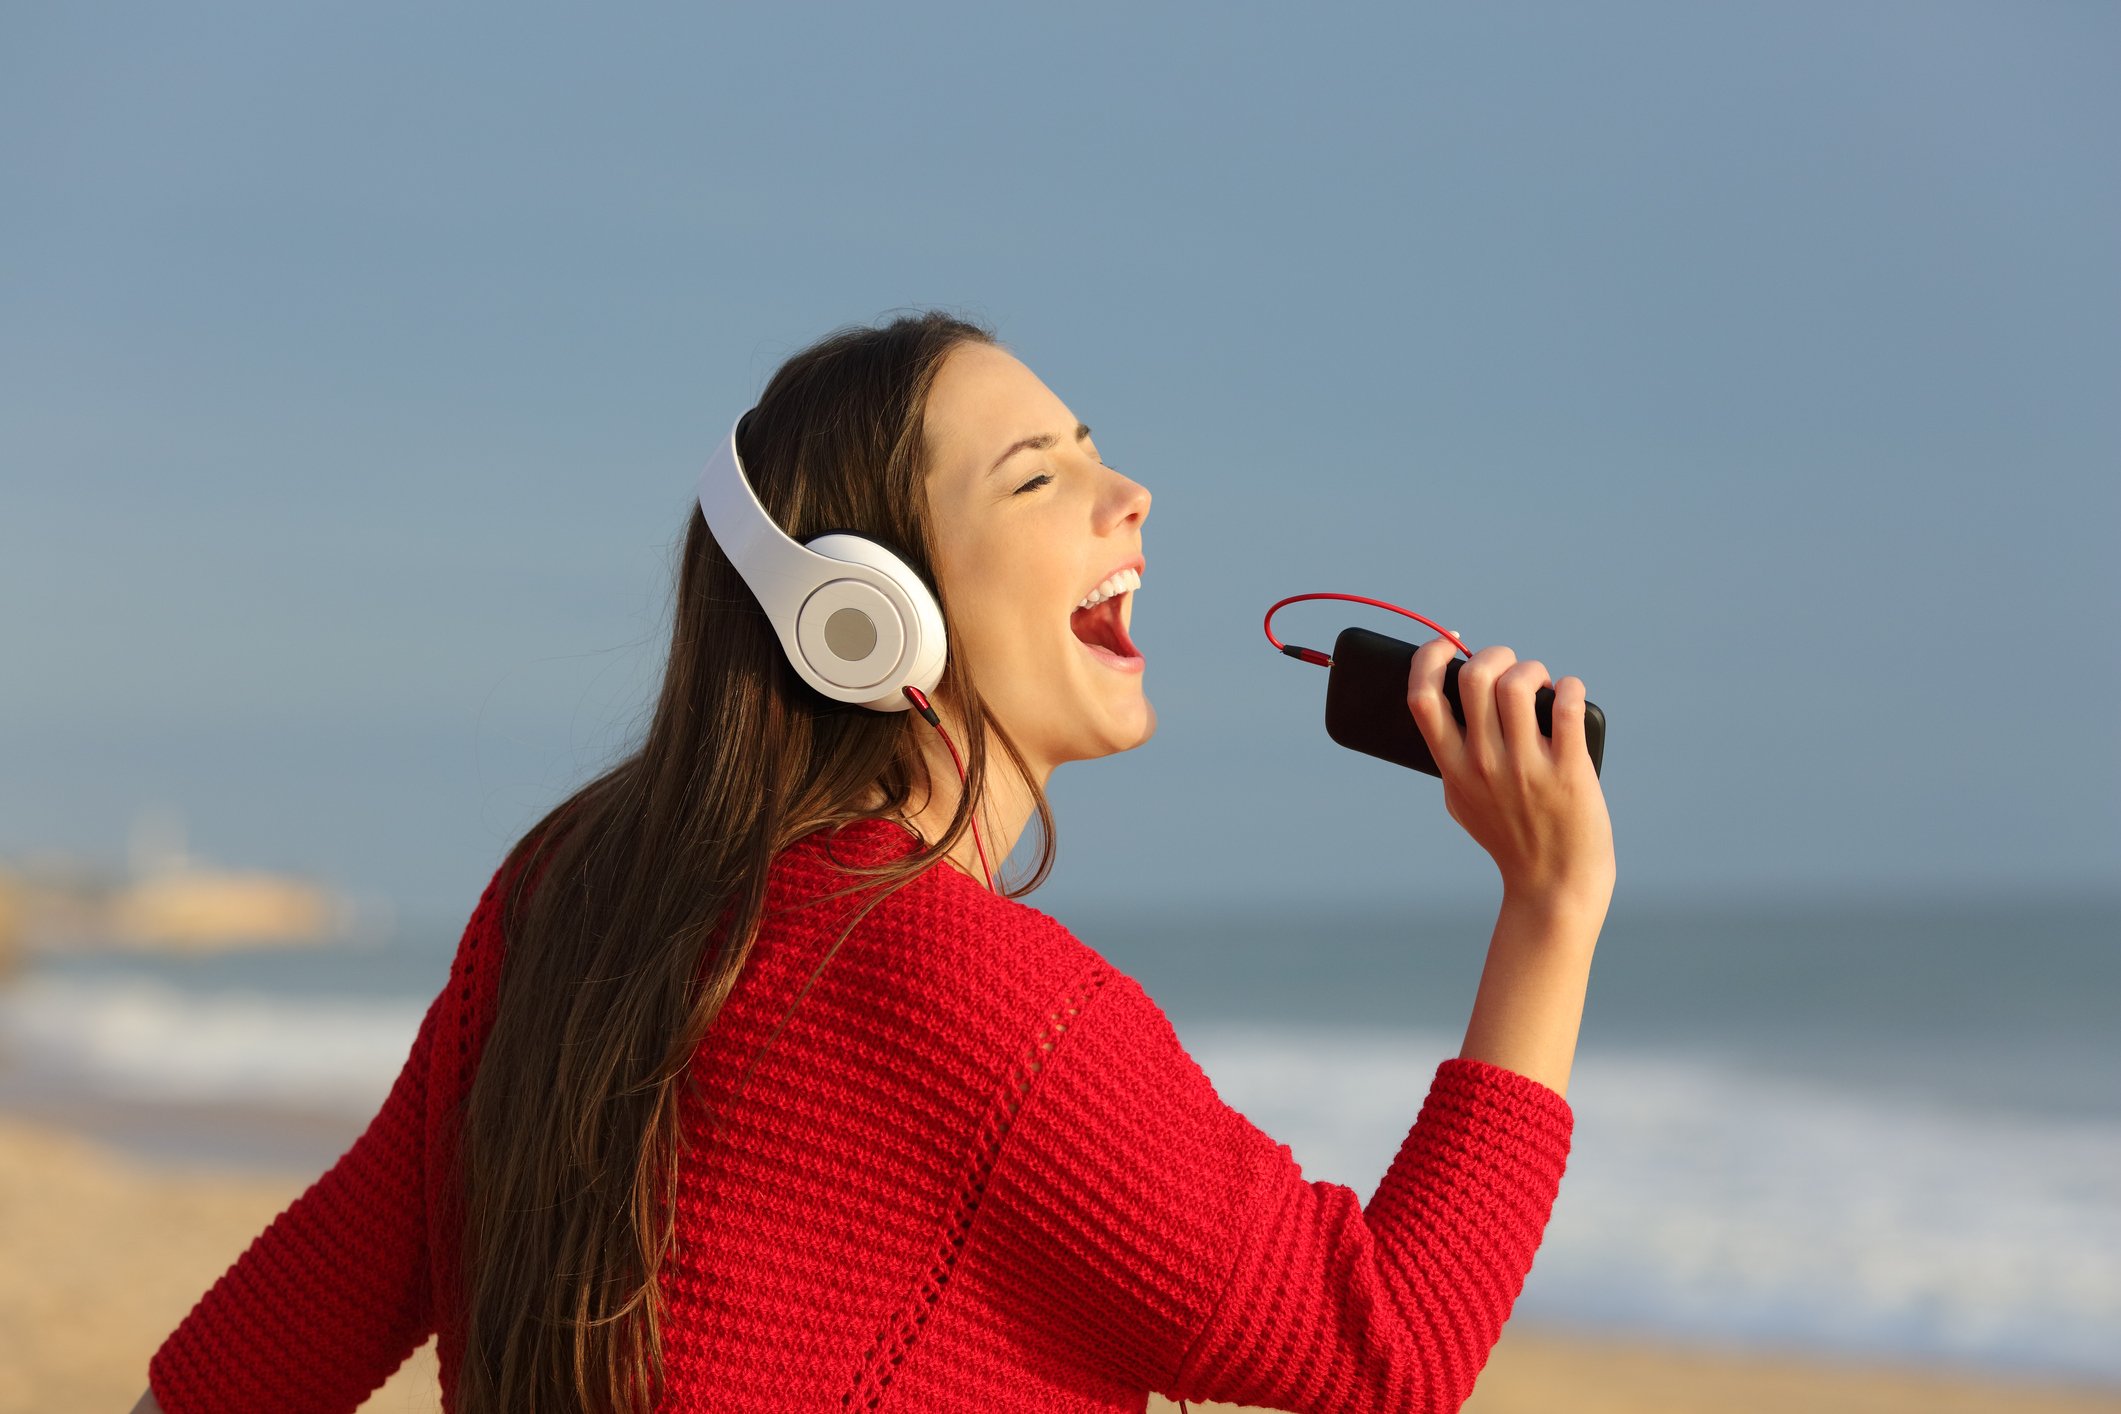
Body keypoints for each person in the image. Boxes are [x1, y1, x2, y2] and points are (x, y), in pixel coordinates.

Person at [132, 310, 1614, 1414]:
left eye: (1098, 452)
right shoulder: (976, 993)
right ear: (862, 612)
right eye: (1038, 479)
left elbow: (270, 1344)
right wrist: (1548, 908)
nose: (1129, 496)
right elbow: (1385, 1344)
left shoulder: (568, 889)